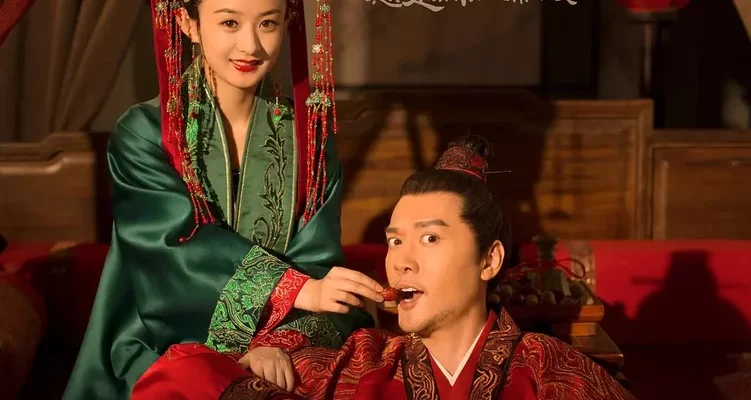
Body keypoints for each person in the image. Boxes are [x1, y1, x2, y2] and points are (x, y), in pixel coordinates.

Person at [129, 135, 636, 399]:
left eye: (430, 238)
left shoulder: (552, 372)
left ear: (490, 260)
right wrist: (258, 361)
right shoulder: (363, 363)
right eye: (395, 241)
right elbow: (181, 378)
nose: (402, 260)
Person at [62, 0, 383, 398]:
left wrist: (276, 342)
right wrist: (294, 289)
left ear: (287, 23)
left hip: (285, 338)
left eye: (267, 24)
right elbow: (169, 252)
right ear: (188, 23)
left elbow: (317, 261)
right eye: (230, 22)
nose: (250, 45)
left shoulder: (310, 139)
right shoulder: (144, 134)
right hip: (159, 345)